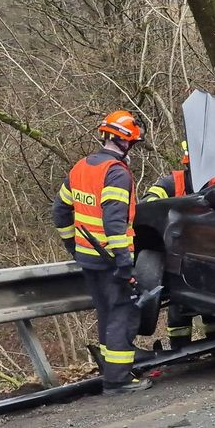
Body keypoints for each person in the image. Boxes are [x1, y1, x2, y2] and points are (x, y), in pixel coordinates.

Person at [52, 111, 154, 394]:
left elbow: (60, 212)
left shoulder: (81, 167)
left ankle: (113, 370)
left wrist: (73, 246)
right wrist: (124, 264)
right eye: (132, 143)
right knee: (123, 312)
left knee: (107, 312)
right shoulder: (117, 173)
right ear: (124, 142)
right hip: (110, 259)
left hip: (89, 258)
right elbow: (114, 222)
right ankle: (118, 380)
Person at [142, 141, 215, 350]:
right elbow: (148, 203)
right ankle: (181, 350)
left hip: (209, 254)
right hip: (179, 255)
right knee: (179, 308)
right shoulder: (171, 182)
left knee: (213, 308)